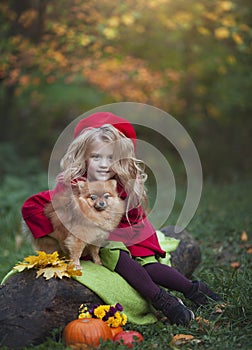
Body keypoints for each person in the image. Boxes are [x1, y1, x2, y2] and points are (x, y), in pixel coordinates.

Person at [22, 112, 223, 326]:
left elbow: (128, 221)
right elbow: (40, 206)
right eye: (96, 157)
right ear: (83, 157)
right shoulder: (73, 183)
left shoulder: (121, 183)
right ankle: (164, 301)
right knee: (113, 253)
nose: (103, 164)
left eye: (111, 158)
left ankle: (195, 290)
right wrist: (55, 236)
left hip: (130, 230)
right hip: (100, 237)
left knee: (149, 267)